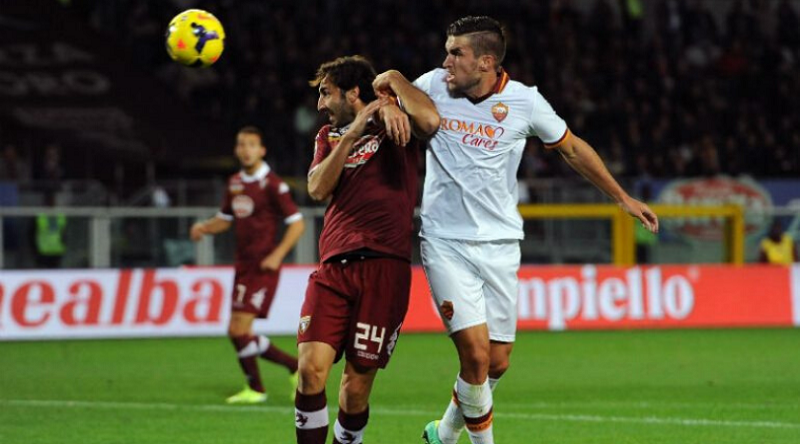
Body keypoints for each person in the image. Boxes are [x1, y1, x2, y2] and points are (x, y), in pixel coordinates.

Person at [375, 16, 659, 444]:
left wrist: (621, 197)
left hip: (501, 243)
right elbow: (385, 90)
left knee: (497, 362)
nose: (446, 61)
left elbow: (572, 148)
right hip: (445, 241)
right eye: (447, 52)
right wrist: (390, 94)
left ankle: (443, 434)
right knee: (474, 355)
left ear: (486, 61)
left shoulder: (525, 101)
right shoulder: (432, 84)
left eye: (456, 53)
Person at [294, 56, 439, 444]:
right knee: (309, 371)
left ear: (352, 92)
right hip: (333, 268)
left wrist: (391, 100)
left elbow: (430, 121)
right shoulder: (328, 137)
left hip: (385, 269)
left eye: (326, 93)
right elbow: (317, 188)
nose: (320, 104)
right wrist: (353, 132)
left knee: (355, 390)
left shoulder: (397, 120)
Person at [190, 126, 306, 404]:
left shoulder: (272, 184)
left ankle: (257, 389)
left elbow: (297, 223)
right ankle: (294, 368)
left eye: (252, 145)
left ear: (262, 150)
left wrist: (277, 255)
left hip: (263, 268)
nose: (246, 150)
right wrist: (204, 227)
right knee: (239, 332)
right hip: (243, 266)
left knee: (237, 330)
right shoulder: (235, 183)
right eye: (241, 144)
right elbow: (225, 219)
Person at [33, 192, 66, 268]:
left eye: (52, 201)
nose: (51, 203)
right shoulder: (39, 216)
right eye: (48, 201)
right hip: (43, 251)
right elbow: (32, 234)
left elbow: (64, 232)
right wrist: (35, 250)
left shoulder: (60, 215)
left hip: (57, 250)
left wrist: (64, 244)